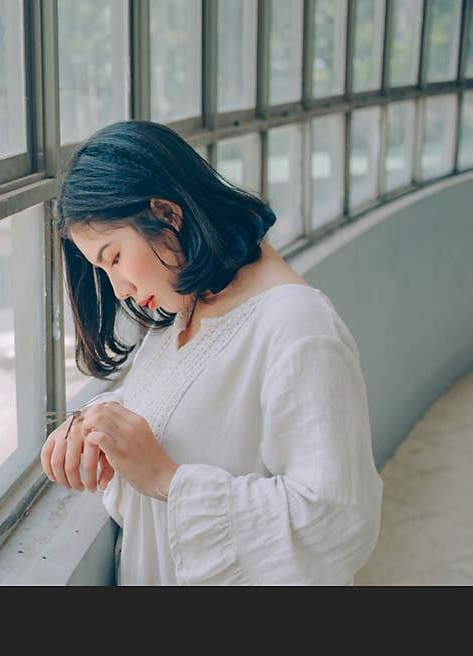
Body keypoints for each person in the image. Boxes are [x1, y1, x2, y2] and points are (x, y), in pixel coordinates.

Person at [40, 120, 383, 585]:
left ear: (166, 214)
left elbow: (337, 521)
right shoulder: (187, 310)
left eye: (115, 257)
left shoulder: (300, 329)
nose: (119, 288)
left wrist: (168, 480)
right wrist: (98, 424)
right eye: (103, 270)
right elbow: (188, 411)